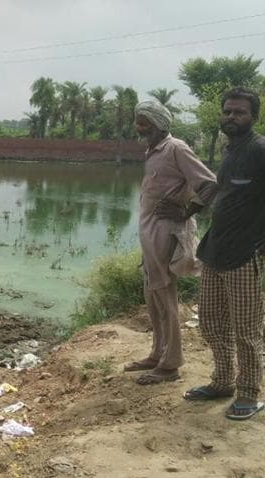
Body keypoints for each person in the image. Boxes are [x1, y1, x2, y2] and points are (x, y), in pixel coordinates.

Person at [184, 87, 265, 420]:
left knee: (246, 331)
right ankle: (222, 382)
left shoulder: (260, 150)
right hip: (215, 251)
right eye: (228, 111)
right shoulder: (230, 150)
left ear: (253, 117)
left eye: (240, 112)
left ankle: (249, 393)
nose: (232, 117)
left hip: (245, 255)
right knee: (212, 324)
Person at [124, 100, 216, 385]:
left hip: (167, 234)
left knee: (166, 298)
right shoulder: (153, 150)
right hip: (151, 236)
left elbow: (210, 183)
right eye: (138, 122)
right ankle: (157, 354)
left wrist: (185, 211)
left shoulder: (176, 148)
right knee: (153, 297)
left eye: (145, 122)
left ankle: (171, 364)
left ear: (160, 123)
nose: (140, 128)